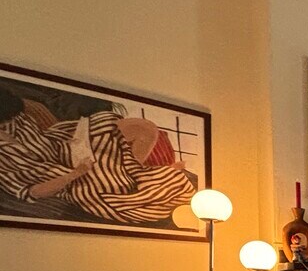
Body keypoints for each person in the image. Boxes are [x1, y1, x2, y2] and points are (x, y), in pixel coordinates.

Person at [0, 88, 196, 225]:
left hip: (66, 146)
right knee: (109, 186)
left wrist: (78, 133)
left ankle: (136, 172)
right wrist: (75, 174)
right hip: (71, 178)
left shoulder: (15, 118)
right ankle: (151, 176)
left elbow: (42, 128)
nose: (10, 124)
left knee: (143, 128)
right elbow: (33, 192)